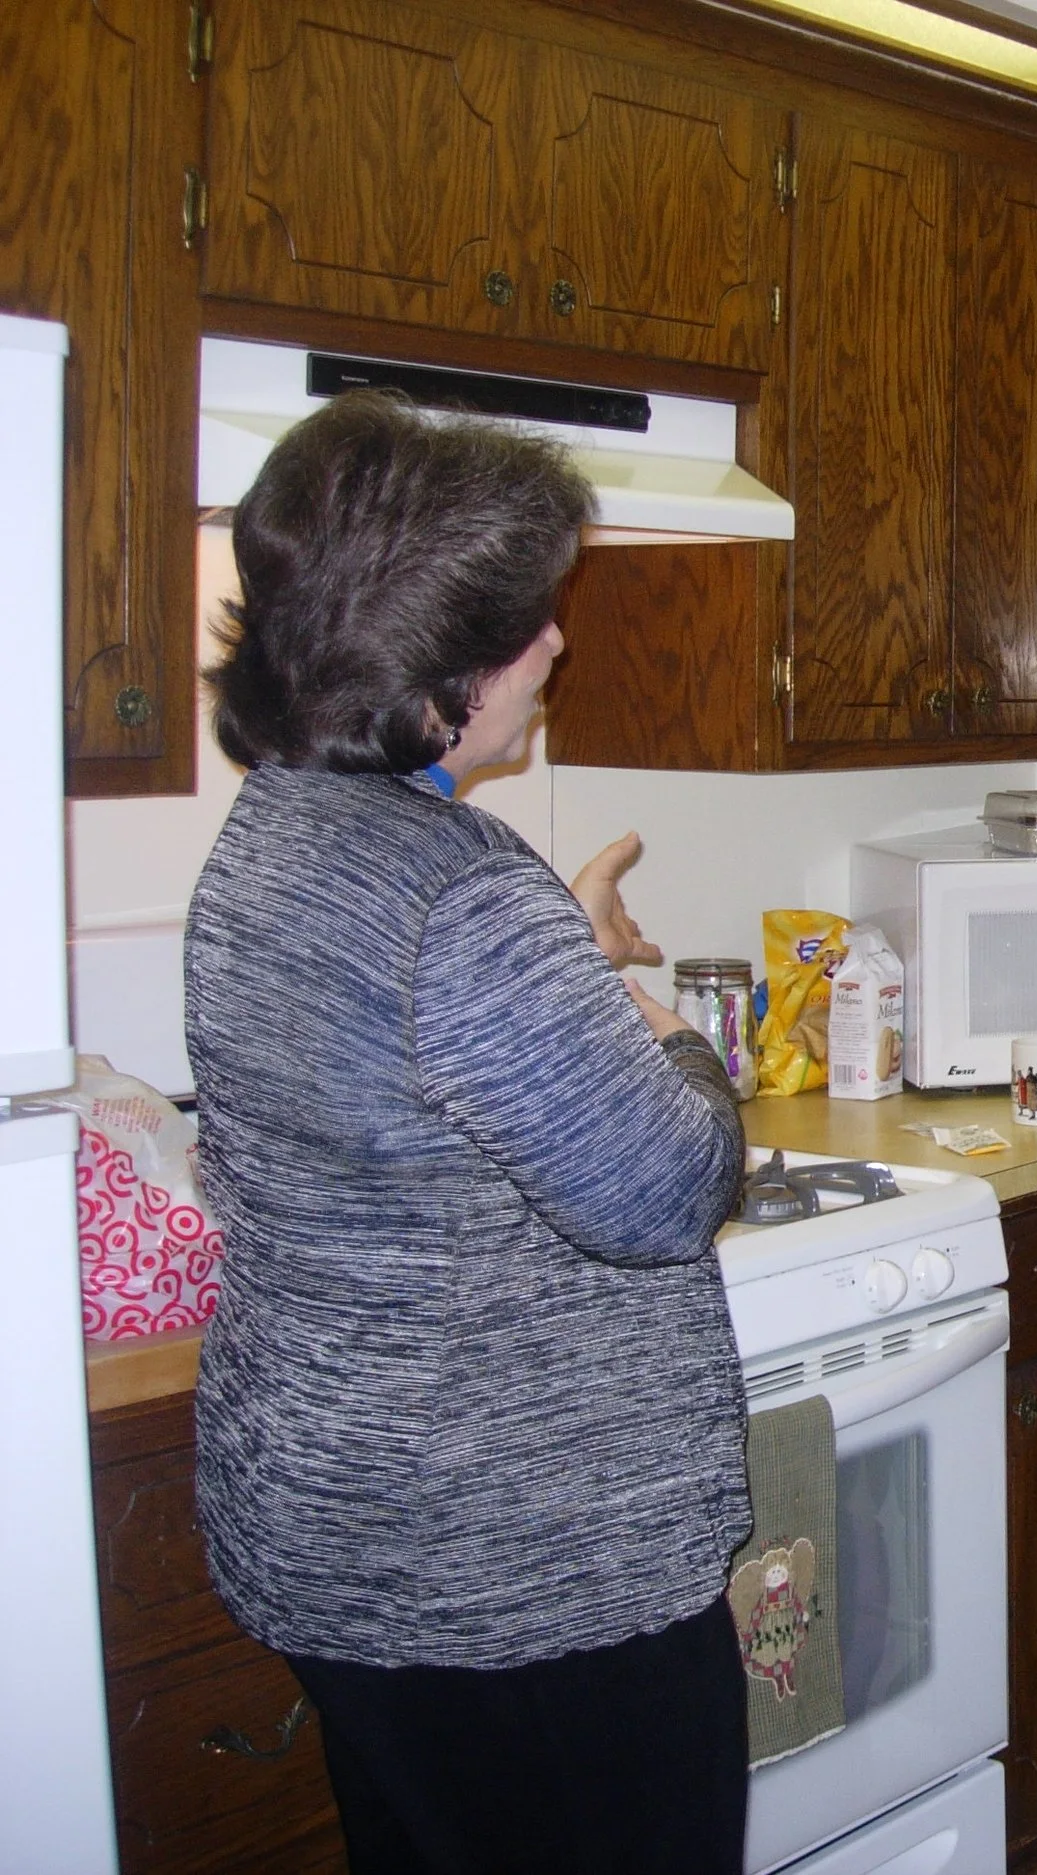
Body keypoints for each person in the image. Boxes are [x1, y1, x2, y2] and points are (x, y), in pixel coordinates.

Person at [184, 391, 755, 1873]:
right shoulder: (458, 892)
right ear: (439, 679)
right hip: (527, 1574)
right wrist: (661, 1020)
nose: (557, 642)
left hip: (347, 1548)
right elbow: (671, 1184)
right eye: (527, 623)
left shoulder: (278, 830)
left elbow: (420, 1057)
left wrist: (553, 960)